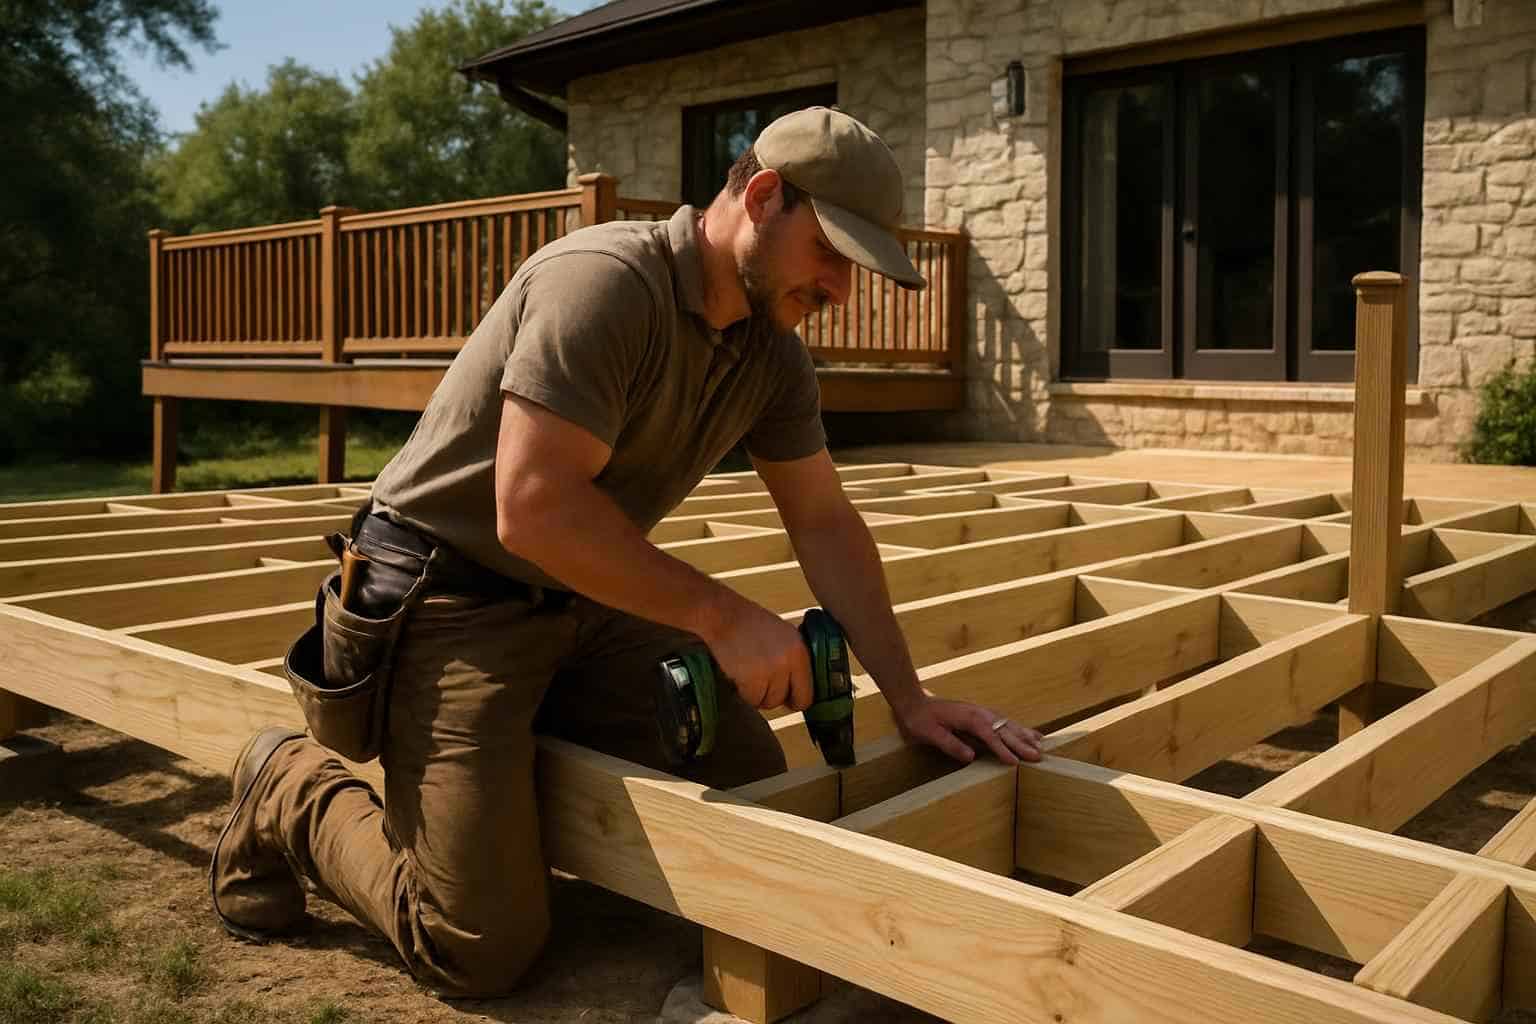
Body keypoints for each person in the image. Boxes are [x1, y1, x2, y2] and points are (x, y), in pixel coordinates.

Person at [208, 106, 1044, 999]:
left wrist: (909, 699)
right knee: (477, 944)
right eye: (831, 251)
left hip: (579, 597)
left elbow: (824, 520)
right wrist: (722, 616)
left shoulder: (771, 354)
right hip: (446, 596)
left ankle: (511, 762)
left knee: (748, 784)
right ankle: (286, 785)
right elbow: (533, 508)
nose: (841, 288)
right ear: (764, 197)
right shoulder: (605, 284)